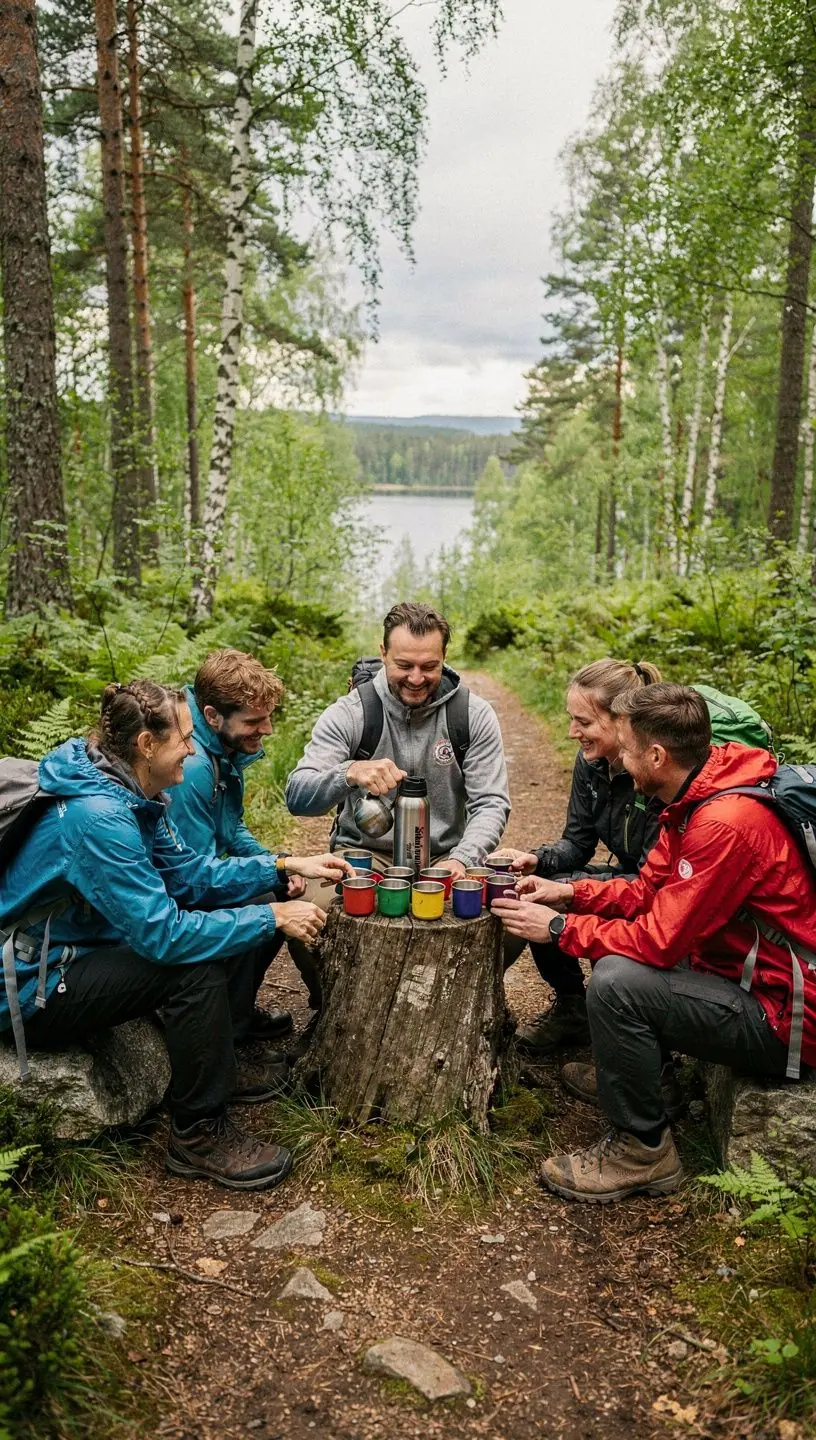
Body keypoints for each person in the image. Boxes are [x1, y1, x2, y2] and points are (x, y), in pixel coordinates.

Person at [0, 681, 348, 1191]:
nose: (191, 748)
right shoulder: (100, 819)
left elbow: (189, 875)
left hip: (82, 950)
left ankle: (221, 1060)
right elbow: (164, 937)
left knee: (248, 903)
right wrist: (271, 917)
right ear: (146, 745)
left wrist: (280, 868)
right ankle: (198, 1135)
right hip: (34, 983)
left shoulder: (131, 791)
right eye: (185, 737)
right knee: (192, 969)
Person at [493, 684, 816, 1205]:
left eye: (625, 749)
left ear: (657, 756)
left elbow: (659, 942)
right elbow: (647, 890)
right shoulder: (695, 797)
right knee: (621, 958)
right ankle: (647, 1083)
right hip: (742, 979)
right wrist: (569, 893)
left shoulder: (724, 823)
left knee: (618, 982)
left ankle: (642, 1151)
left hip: (784, 1018)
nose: (618, 760)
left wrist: (557, 929)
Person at [168, 649, 345, 1035]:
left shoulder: (222, 748)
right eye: (253, 721)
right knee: (264, 903)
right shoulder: (193, 766)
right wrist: (274, 872)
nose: (267, 730)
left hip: (192, 878)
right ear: (212, 715)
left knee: (275, 889)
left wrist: (276, 862)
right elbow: (191, 881)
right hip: (171, 900)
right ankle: (223, 1028)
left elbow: (230, 829)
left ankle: (236, 1012)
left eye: (267, 717)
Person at [498, 658, 664, 1054]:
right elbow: (577, 842)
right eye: (571, 719)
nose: (573, 732)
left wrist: (568, 889)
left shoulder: (654, 772)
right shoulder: (592, 764)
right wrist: (537, 861)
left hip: (656, 890)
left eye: (584, 722)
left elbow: (651, 884)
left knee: (554, 895)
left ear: (621, 720)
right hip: (629, 877)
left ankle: (639, 1037)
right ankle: (573, 1007)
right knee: (537, 890)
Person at [285, 601, 511, 880]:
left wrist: (463, 858)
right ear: (383, 653)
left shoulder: (471, 714)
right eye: (404, 665)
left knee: (500, 904)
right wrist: (350, 772)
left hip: (446, 858)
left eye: (429, 666)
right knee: (312, 905)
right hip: (362, 858)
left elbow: (490, 802)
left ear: (444, 655)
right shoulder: (351, 713)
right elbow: (298, 796)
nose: (416, 679)